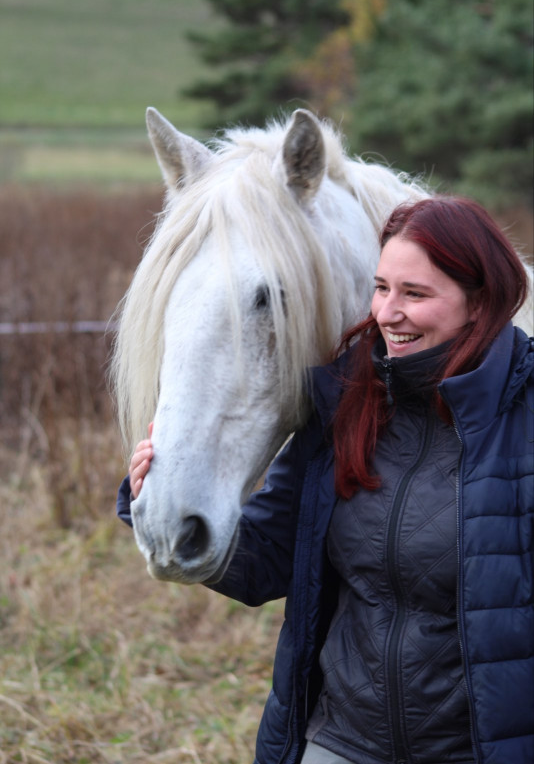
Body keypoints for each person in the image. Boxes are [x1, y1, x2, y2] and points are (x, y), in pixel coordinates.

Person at [118, 196, 534, 764]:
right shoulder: (346, 404)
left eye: (415, 294)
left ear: (479, 302)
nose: (389, 312)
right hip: (342, 742)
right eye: (381, 287)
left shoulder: (523, 418)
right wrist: (156, 499)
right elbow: (265, 560)